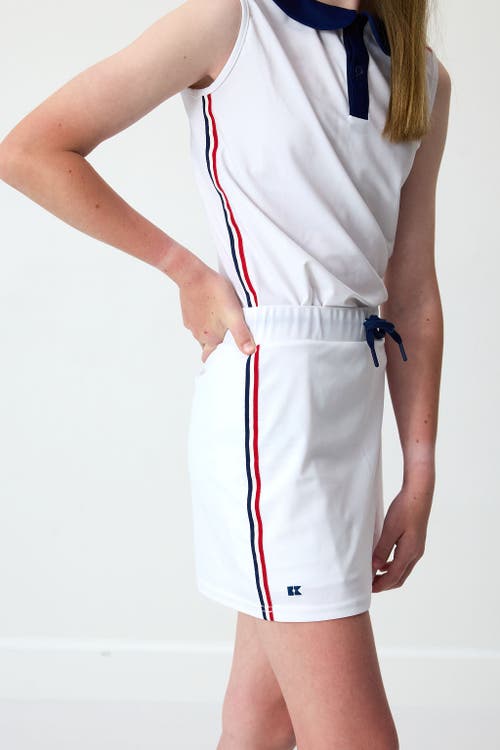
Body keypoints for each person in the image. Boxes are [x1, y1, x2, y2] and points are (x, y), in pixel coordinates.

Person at [0, 0, 451, 747]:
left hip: (353, 405)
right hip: (271, 406)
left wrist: (421, 467)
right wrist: (182, 269)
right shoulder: (232, 21)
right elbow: (31, 150)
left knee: (264, 720)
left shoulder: (421, 76)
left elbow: (412, 291)